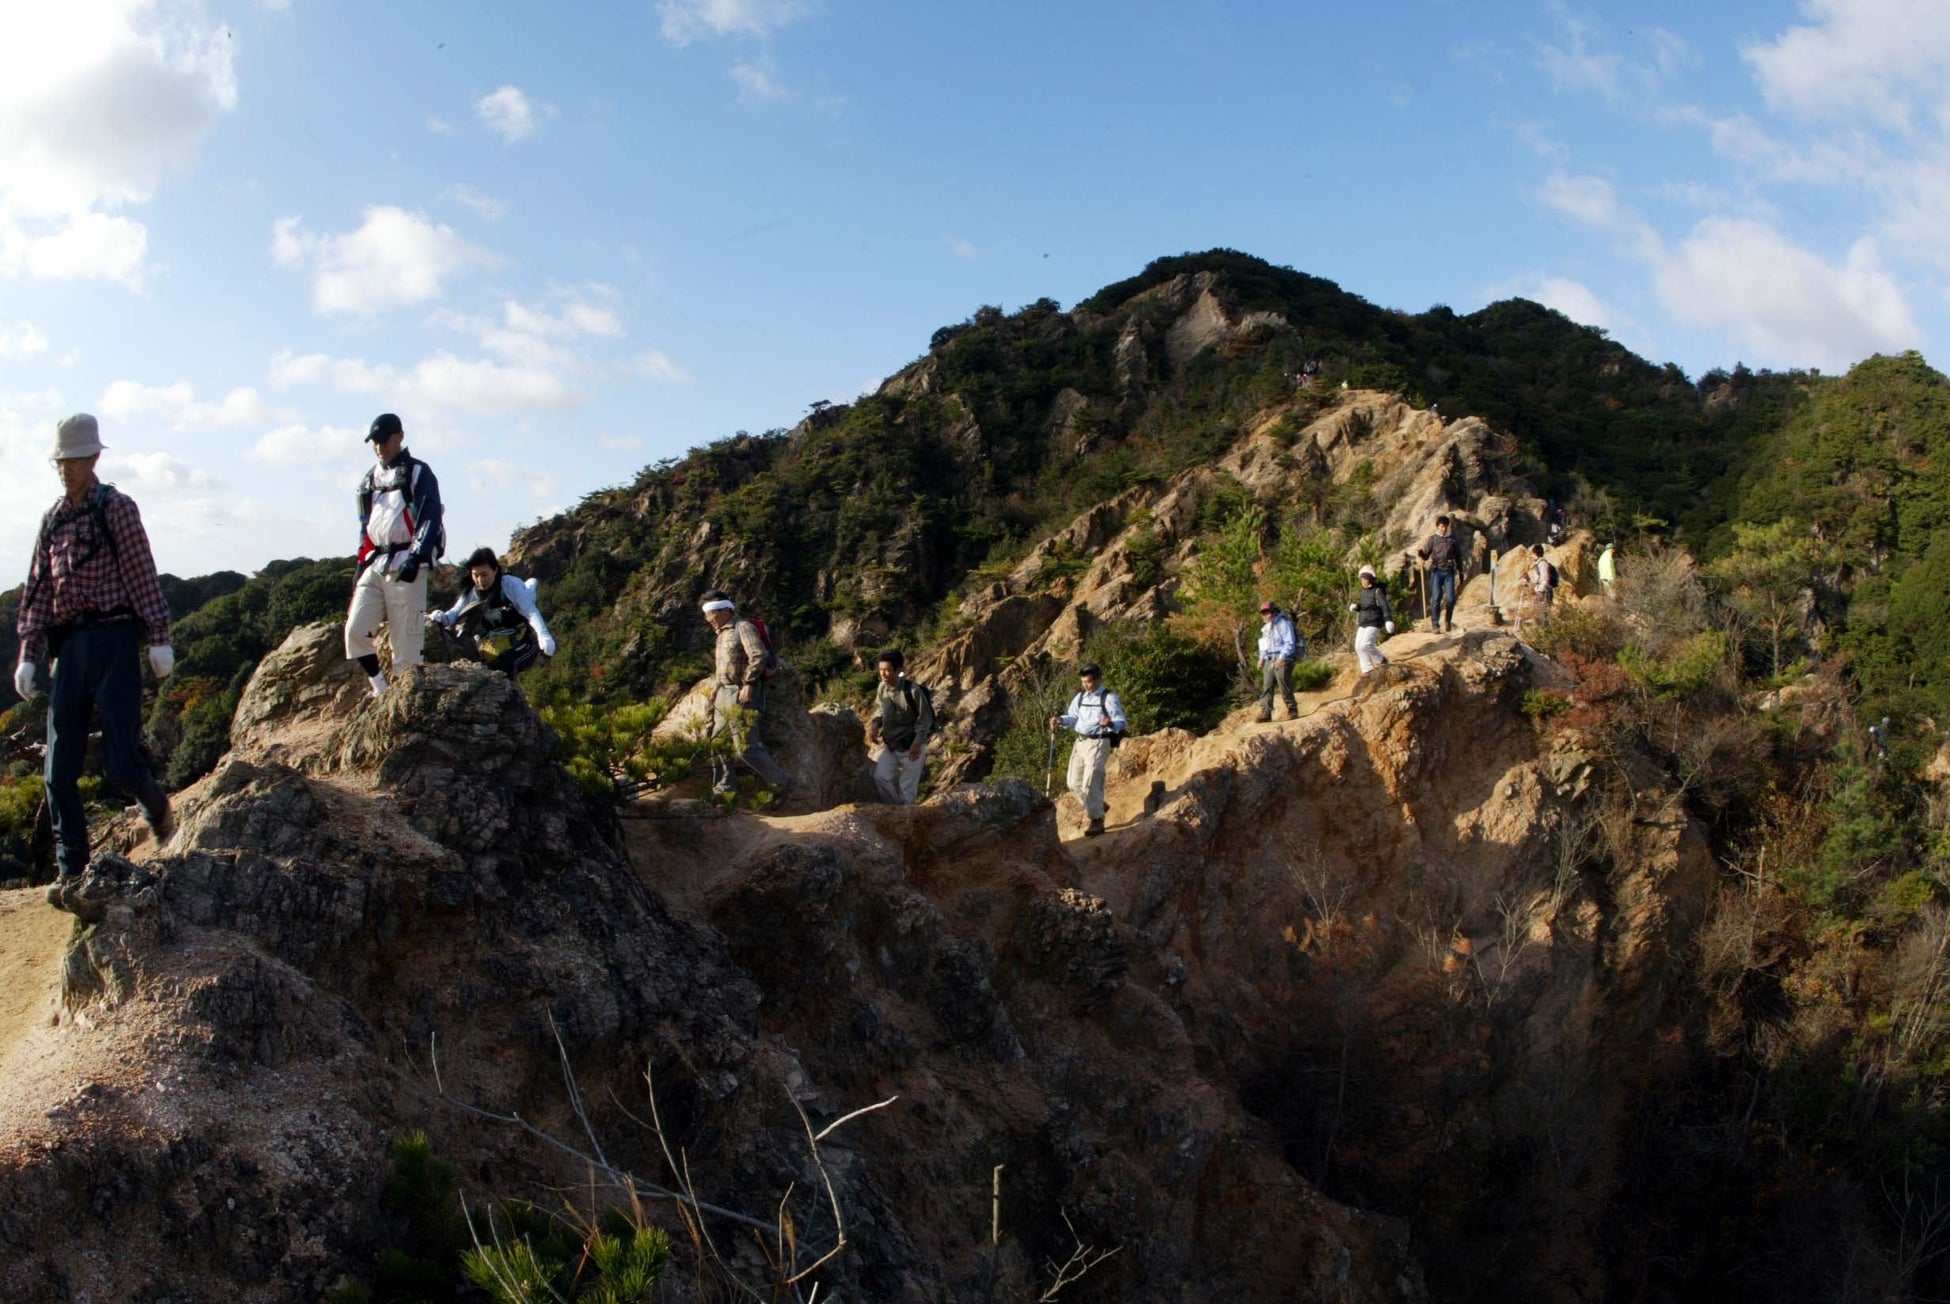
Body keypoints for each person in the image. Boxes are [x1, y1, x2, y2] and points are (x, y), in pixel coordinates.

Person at [12, 414, 176, 903]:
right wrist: (28, 653)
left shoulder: (117, 508)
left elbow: (141, 571)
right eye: (61, 460)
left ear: (95, 458)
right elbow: (38, 589)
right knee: (57, 770)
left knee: (121, 761)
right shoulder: (54, 519)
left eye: (75, 459)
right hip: (70, 648)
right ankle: (75, 871)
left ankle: (157, 806)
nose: (67, 469)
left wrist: (158, 636)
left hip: (115, 639)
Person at [345, 412, 443, 697]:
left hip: (407, 564)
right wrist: (359, 566)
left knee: (408, 648)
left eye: (384, 439)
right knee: (355, 629)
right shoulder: (368, 480)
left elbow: (429, 515)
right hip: (376, 563)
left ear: (399, 436)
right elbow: (365, 528)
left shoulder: (418, 471)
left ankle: (406, 705)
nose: (379, 446)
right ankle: (381, 689)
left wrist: (417, 556)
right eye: (374, 441)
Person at [700, 590, 794, 798]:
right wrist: (716, 687)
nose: (708, 620)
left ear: (725, 610)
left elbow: (758, 655)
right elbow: (722, 666)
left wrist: (749, 683)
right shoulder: (722, 634)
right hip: (724, 693)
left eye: (711, 614)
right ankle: (724, 792)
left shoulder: (743, 627)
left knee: (744, 747)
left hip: (741, 694)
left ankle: (782, 783)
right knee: (718, 743)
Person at [428, 546, 556, 681]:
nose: (480, 580)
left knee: (507, 663)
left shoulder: (509, 585)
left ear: (495, 570)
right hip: (493, 644)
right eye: (475, 575)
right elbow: (454, 613)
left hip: (523, 640)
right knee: (486, 671)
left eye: (484, 574)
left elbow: (530, 612)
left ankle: (530, 586)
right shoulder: (472, 592)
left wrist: (544, 635)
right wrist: (442, 617)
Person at [1049, 663, 1126, 838]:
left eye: (1089, 682)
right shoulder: (1081, 697)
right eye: (1083, 682)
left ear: (1098, 679)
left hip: (1098, 742)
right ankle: (1098, 805)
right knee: (1073, 782)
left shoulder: (1109, 698)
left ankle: (1097, 820)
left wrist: (1110, 723)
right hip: (1080, 742)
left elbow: (1121, 722)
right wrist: (1060, 720)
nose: (1086, 685)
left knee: (1090, 783)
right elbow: (1073, 717)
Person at [868, 649, 932, 805]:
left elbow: (925, 719)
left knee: (907, 789)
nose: (883, 674)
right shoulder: (882, 688)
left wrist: (917, 743)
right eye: (881, 669)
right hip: (892, 744)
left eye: (887, 670)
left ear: (899, 670)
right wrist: (875, 725)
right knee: (881, 777)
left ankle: (906, 818)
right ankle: (896, 810)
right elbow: (881, 709)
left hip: (912, 746)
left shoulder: (912, 691)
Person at [1255, 601, 1301, 722]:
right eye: (1264, 613)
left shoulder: (1283, 624)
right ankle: (1266, 711)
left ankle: (1292, 709)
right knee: (1267, 686)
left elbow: (1289, 642)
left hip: (1283, 659)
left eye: (1268, 612)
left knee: (1284, 685)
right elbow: (1264, 645)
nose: (1266, 615)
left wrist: (1282, 657)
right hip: (1270, 659)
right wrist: (1261, 658)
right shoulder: (1266, 627)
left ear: (1274, 612)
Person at [1417, 514, 1463, 633]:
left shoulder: (1452, 540)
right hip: (1436, 571)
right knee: (1436, 597)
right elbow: (1426, 555)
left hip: (1449, 571)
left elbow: (1458, 556)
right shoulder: (1433, 539)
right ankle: (1435, 624)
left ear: (1447, 527)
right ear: (1438, 527)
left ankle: (1448, 620)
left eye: (1445, 526)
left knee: (1451, 599)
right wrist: (1422, 554)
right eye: (1441, 526)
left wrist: (1461, 570)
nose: (1443, 528)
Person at [1349, 565, 1395, 675]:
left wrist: (1388, 620)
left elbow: (1384, 605)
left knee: (1365, 644)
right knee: (1358, 646)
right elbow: (1365, 605)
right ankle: (1367, 669)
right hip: (1363, 621)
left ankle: (1380, 659)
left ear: (1370, 578)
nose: (1362, 581)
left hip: (1374, 621)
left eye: (1364, 579)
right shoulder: (1363, 591)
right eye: (1361, 579)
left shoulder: (1378, 591)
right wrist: (1357, 607)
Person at [1524, 543, 1558, 629]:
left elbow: (1545, 577)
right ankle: (1541, 631)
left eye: (1532, 553)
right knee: (1539, 612)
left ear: (1535, 553)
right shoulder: (1537, 563)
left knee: (1544, 612)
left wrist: (1540, 590)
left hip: (1544, 591)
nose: (1531, 555)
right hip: (1540, 590)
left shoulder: (1542, 563)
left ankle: (1546, 631)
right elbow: (1537, 578)